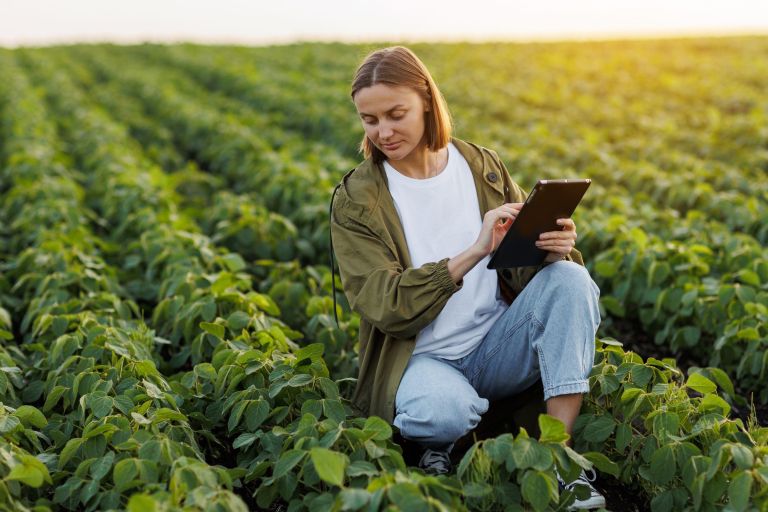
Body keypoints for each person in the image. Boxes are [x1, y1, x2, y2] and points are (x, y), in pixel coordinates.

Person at [330, 46, 605, 510]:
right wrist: (475, 249)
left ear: (427, 102)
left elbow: (518, 262)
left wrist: (549, 245)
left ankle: (559, 459)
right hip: (421, 359)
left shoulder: (480, 165)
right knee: (440, 412)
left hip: (496, 345)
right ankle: (444, 437)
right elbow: (385, 305)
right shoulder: (358, 199)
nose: (384, 132)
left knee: (571, 280)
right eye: (369, 120)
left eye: (396, 114)